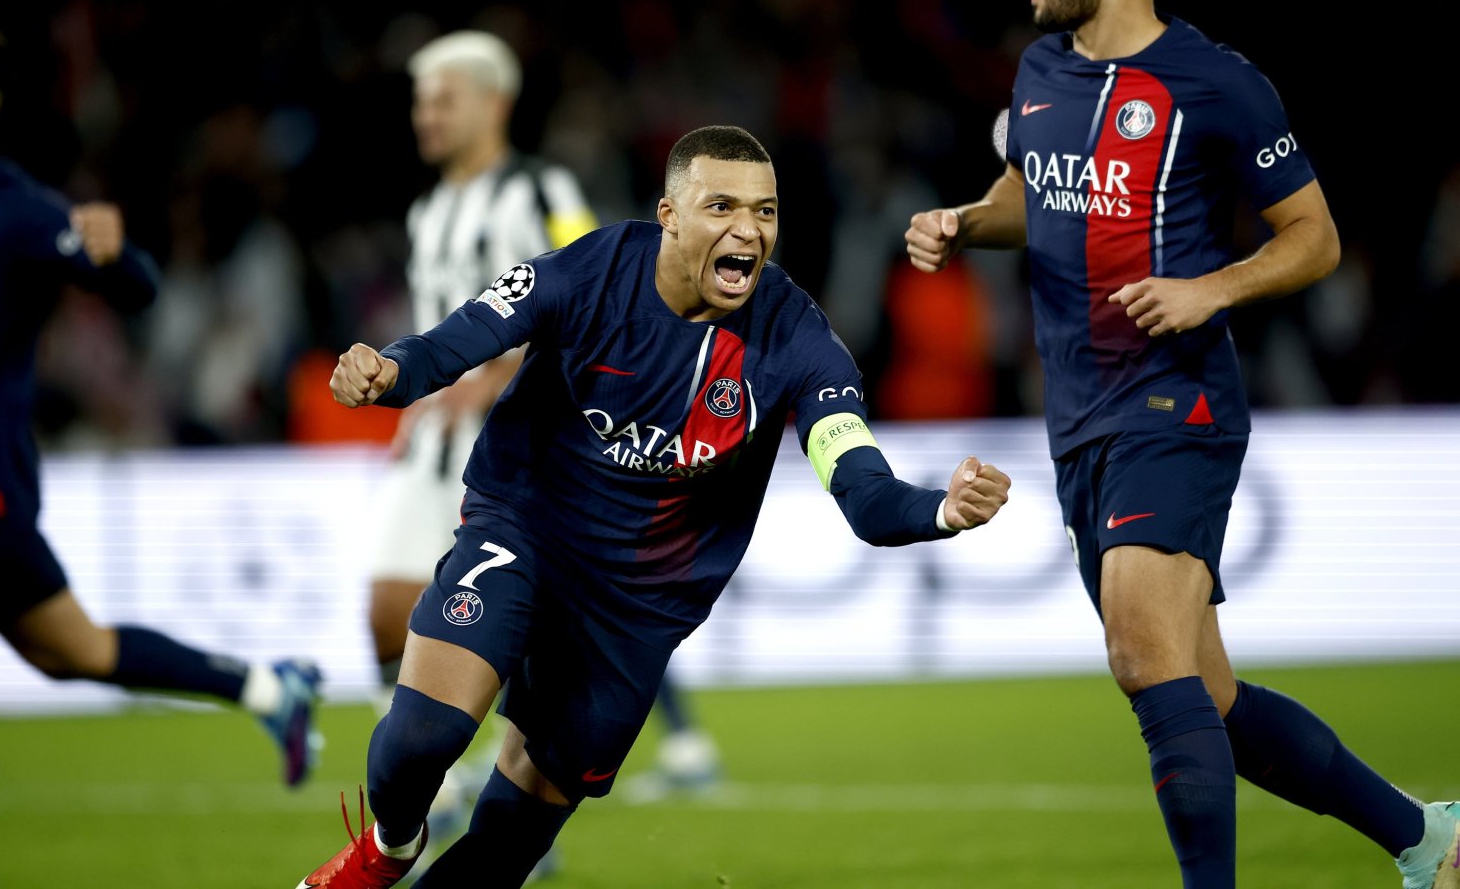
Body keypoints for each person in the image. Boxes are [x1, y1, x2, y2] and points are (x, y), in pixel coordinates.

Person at [904, 0, 1457, 889]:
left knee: (1142, 662)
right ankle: (1427, 840)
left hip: (1174, 402)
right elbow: (1033, 192)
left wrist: (1212, 287)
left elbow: (1314, 238)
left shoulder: (1215, 83)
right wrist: (963, 224)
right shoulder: (1039, 73)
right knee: (1205, 698)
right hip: (1077, 419)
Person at [298, 124, 1012, 887]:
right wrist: (387, 371)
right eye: (722, 207)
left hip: (637, 607)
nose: (749, 230)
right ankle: (390, 848)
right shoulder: (593, 270)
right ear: (669, 213)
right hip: (525, 531)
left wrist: (942, 510)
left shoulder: (798, 341)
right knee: (418, 739)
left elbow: (863, 491)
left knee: (507, 842)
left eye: (766, 212)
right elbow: (456, 341)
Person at [0, 23, 324, 788]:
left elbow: (137, 287)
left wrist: (115, 255)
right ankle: (270, 688)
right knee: (78, 651)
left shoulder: (15, 211)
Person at [366, 30, 721, 861]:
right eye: (419, 101)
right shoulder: (428, 209)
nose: (425, 116)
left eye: (441, 99)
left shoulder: (542, 188)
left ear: (492, 103)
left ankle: (509, 789)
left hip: (528, 435)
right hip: (437, 443)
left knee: (551, 614)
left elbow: (604, 287)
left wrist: (501, 374)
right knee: (387, 608)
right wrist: (416, 400)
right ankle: (444, 782)